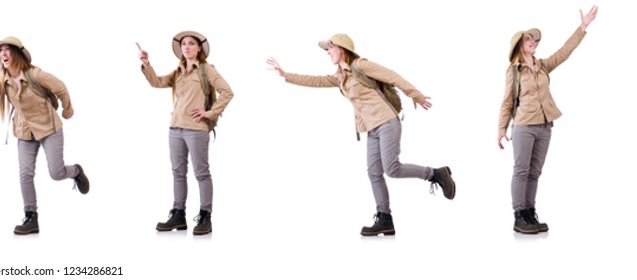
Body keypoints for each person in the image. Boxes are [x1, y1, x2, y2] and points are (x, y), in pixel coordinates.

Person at [266, 33, 456, 236]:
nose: (327, 52)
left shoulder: (361, 65)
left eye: (330, 48)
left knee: (392, 169)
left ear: (342, 49)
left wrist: (415, 94)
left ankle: (436, 174)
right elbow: (317, 81)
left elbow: (392, 76)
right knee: (374, 173)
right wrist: (285, 74)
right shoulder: (340, 76)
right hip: (370, 128)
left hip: (386, 122)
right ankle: (385, 218)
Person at [0, 36, 90, 235]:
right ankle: (31, 217)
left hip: (49, 128)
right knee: (25, 174)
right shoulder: (2, 80)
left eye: (7, 49)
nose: (2, 53)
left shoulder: (35, 74)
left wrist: (68, 110)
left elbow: (61, 87)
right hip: (24, 131)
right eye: (0, 50)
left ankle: (76, 172)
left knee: (56, 173)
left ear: (17, 53)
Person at [498, 5, 598, 234]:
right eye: (528, 39)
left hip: (545, 126)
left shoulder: (542, 66)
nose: (533, 40)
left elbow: (564, 52)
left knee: (535, 172)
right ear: (518, 45)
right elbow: (506, 102)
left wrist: (582, 27)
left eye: (535, 39)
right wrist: (501, 129)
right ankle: (518, 215)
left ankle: (530, 213)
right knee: (521, 170)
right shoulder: (513, 71)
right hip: (524, 126)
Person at [137, 31, 235, 236]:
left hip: (196, 129)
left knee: (201, 173)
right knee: (178, 173)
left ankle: (205, 216)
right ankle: (179, 214)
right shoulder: (179, 71)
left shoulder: (207, 70)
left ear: (199, 48)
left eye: (191, 43)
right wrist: (146, 63)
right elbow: (157, 82)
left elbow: (227, 91)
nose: (187, 47)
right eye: (183, 44)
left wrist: (210, 113)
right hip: (175, 128)